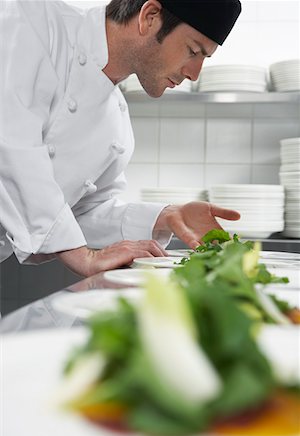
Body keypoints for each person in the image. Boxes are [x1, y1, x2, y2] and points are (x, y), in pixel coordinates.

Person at [0, 0, 241, 277]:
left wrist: (164, 217)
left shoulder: (116, 126)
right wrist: (81, 256)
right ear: (149, 16)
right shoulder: (30, 20)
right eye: (192, 51)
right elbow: (9, 142)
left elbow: (80, 214)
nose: (194, 73)